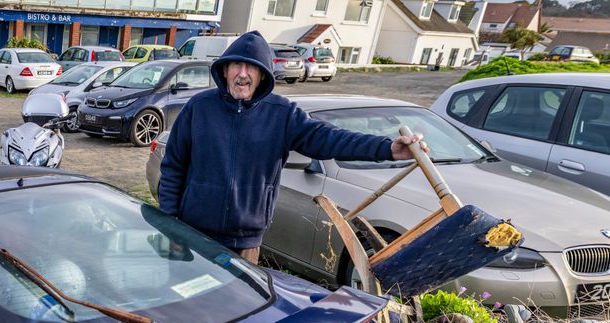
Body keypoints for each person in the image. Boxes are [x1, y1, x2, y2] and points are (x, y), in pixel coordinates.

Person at [158, 31, 424, 264]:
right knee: (185, 310)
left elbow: (331, 139)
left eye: (251, 67)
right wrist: (171, 226)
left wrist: (388, 148)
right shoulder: (198, 108)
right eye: (236, 65)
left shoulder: (282, 114)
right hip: (192, 233)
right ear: (224, 70)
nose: (242, 74)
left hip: (244, 242)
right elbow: (173, 168)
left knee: (237, 312)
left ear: (262, 75)